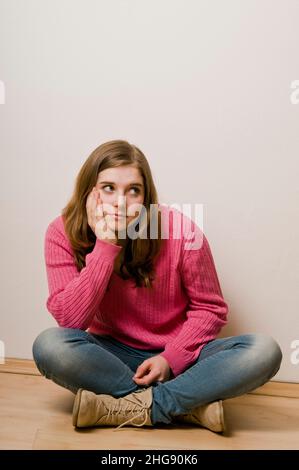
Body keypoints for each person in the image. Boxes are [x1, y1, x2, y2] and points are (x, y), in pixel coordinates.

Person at [32, 139, 282, 433]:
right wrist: (106, 245)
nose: (120, 202)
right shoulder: (61, 232)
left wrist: (171, 358)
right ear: (88, 190)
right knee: (50, 345)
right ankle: (188, 407)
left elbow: (210, 309)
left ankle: (126, 408)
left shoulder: (181, 231)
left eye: (133, 190)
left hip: (183, 357)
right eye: (108, 187)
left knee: (263, 350)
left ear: (146, 196)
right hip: (113, 356)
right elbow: (71, 321)